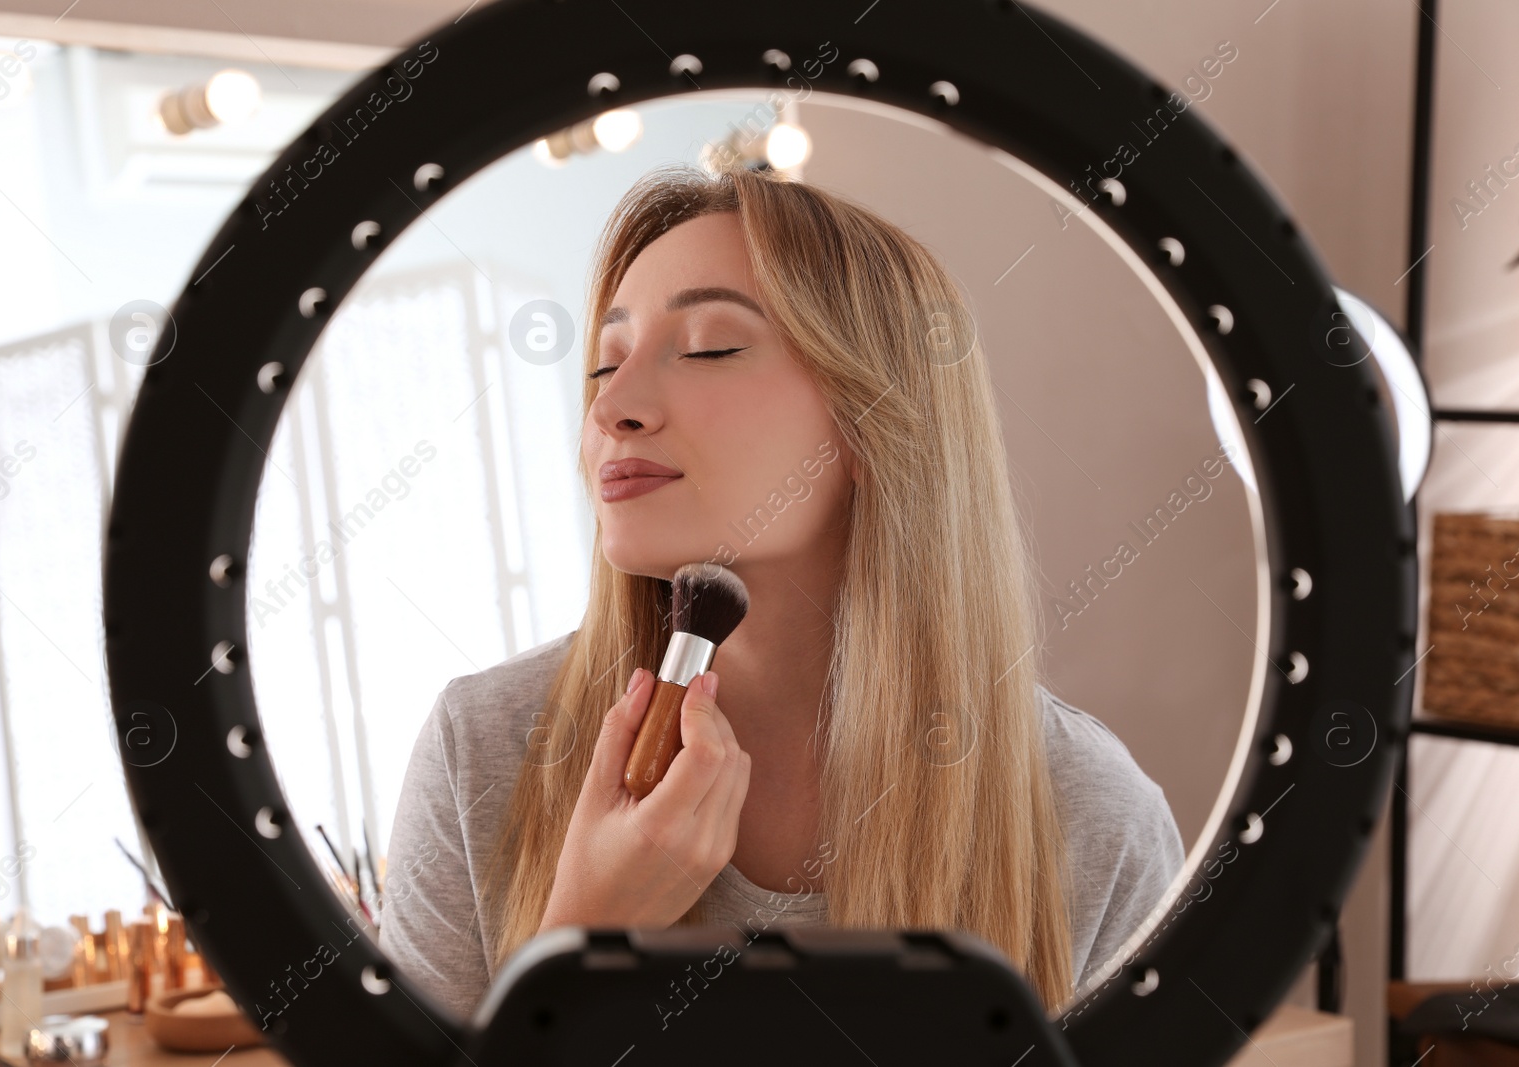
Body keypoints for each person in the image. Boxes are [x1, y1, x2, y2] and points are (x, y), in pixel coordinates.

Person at [378, 162, 1184, 1022]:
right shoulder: (483, 754)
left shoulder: (1091, 817)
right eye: (602, 366)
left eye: (710, 347)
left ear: (875, 422)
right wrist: (584, 940)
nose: (614, 406)